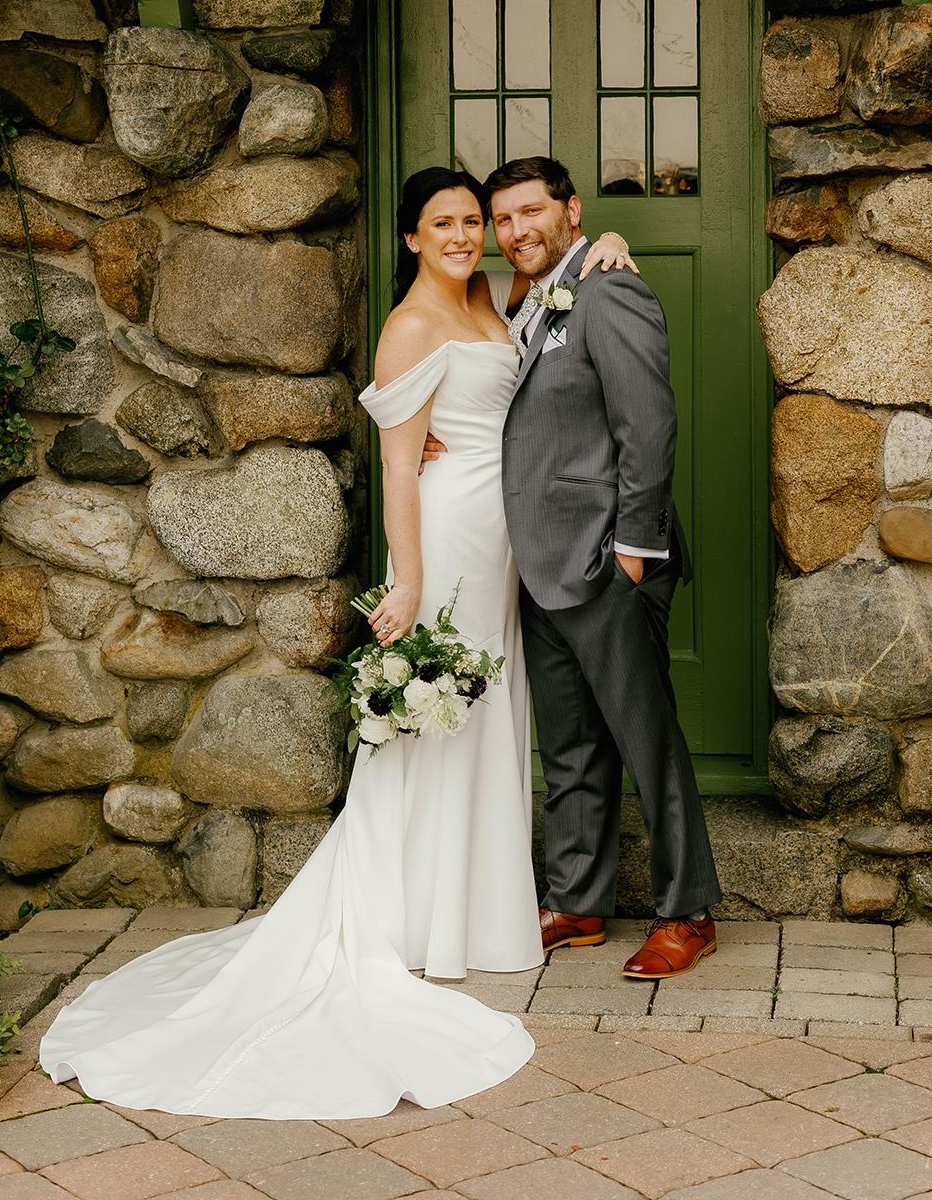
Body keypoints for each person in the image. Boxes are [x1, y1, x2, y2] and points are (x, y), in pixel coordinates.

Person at [37, 166, 633, 1120]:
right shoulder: (409, 326)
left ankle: (472, 914)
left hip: (503, 533)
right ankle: (413, 922)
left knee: (487, 714)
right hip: (447, 538)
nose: (464, 235)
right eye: (443, 223)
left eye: (472, 220)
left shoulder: (490, 296)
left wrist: (607, 249)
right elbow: (402, 464)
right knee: (440, 715)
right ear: (408, 238)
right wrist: (408, 579)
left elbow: (551, 308)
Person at [483, 156, 721, 978]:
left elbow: (648, 425)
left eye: (531, 212)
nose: (517, 230)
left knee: (644, 738)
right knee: (571, 744)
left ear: (571, 211)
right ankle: (577, 902)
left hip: (606, 558)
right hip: (539, 561)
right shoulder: (516, 300)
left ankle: (687, 910)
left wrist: (633, 551)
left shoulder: (608, 288)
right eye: (503, 219)